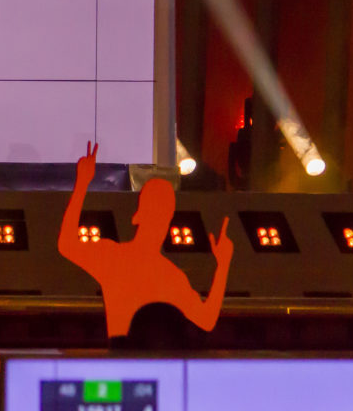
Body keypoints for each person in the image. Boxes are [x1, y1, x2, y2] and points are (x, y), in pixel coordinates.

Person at [58, 142, 234, 339]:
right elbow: (207, 319)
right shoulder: (169, 276)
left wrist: (82, 183)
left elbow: (67, 244)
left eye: (162, 214)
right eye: (156, 212)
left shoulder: (116, 258)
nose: (159, 221)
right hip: (152, 356)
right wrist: (223, 265)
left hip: (121, 354)